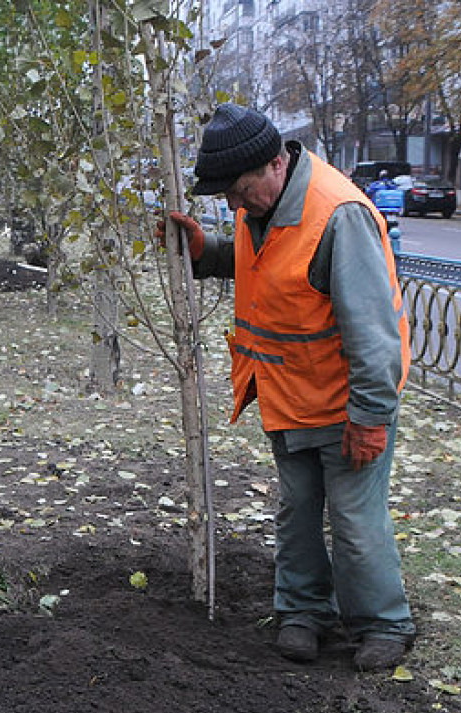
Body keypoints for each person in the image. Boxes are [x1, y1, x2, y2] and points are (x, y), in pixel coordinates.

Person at [162, 104, 416, 672]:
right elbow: (270, 267)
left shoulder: (338, 215)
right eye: (225, 193)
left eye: (239, 189)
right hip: (288, 396)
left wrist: (370, 417)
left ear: (276, 163)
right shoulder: (267, 206)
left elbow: (373, 332)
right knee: (297, 510)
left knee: (354, 520)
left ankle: (383, 623)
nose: (233, 203)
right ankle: (303, 613)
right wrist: (207, 253)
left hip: (345, 402)